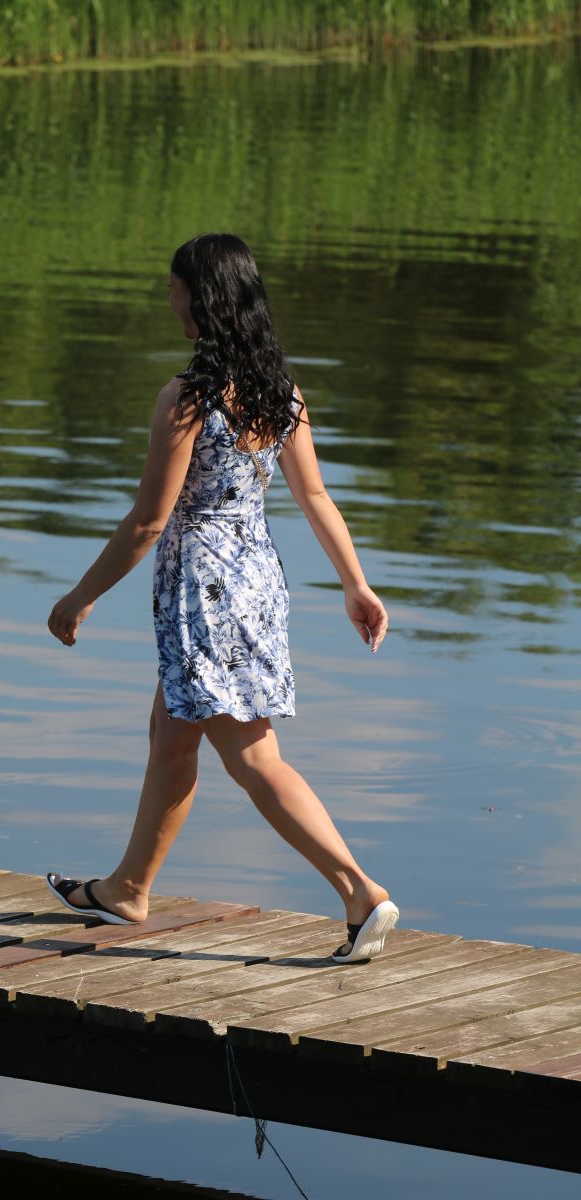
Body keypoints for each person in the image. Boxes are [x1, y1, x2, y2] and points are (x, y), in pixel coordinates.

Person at [46, 233, 399, 963]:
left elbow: (149, 520)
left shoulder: (188, 398)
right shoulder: (280, 393)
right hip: (257, 583)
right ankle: (128, 889)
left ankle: (360, 893)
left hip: (203, 592)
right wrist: (355, 582)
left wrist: (80, 596)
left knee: (252, 756)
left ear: (200, 298)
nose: (167, 298)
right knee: (173, 735)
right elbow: (316, 496)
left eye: (173, 286)